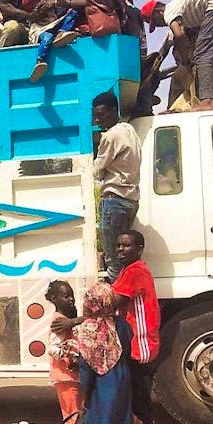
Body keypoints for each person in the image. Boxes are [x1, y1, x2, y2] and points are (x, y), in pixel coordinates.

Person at [72, 282, 144, 424]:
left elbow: (87, 369)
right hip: (121, 381)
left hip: (101, 387)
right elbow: (128, 351)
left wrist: (86, 393)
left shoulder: (87, 331)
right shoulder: (121, 326)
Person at [112, 230, 165, 424]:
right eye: (119, 246)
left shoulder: (135, 271)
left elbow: (111, 302)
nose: (121, 250)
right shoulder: (128, 271)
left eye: (127, 246)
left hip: (139, 350)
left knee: (140, 412)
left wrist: (76, 319)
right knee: (136, 409)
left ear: (140, 248)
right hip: (135, 349)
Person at [141, 0, 213, 111]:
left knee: (202, 54)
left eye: (155, 22)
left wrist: (186, 60)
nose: (160, 26)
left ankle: (207, 101)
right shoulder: (185, 11)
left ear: (158, 11)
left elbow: (179, 35)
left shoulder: (169, 11)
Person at [92, 91, 140, 283]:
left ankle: (116, 307)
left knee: (113, 260)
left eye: (101, 115)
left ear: (113, 110)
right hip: (130, 200)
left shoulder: (110, 136)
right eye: (95, 116)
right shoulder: (130, 130)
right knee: (126, 260)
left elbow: (96, 171)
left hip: (114, 201)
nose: (97, 121)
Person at [46, 280, 81, 424]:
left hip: (71, 377)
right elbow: (52, 348)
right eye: (66, 296)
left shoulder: (66, 319)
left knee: (74, 415)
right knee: (71, 418)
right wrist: (70, 357)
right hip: (65, 377)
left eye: (72, 296)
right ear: (54, 298)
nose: (71, 299)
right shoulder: (59, 321)